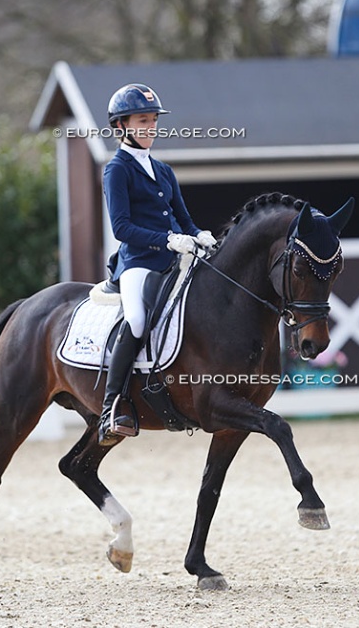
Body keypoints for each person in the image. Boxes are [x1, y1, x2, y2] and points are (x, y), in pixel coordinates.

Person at [98, 83, 217, 446]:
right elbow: (121, 228)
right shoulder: (116, 170)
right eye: (142, 121)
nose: (150, 128)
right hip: (138, 262)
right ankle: (110, 405)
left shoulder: (163, 170)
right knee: (136, 319)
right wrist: (166, 239)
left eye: (153, 120)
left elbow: (184, 218)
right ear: (121, 127)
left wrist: (201, 234)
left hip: (174, 261)